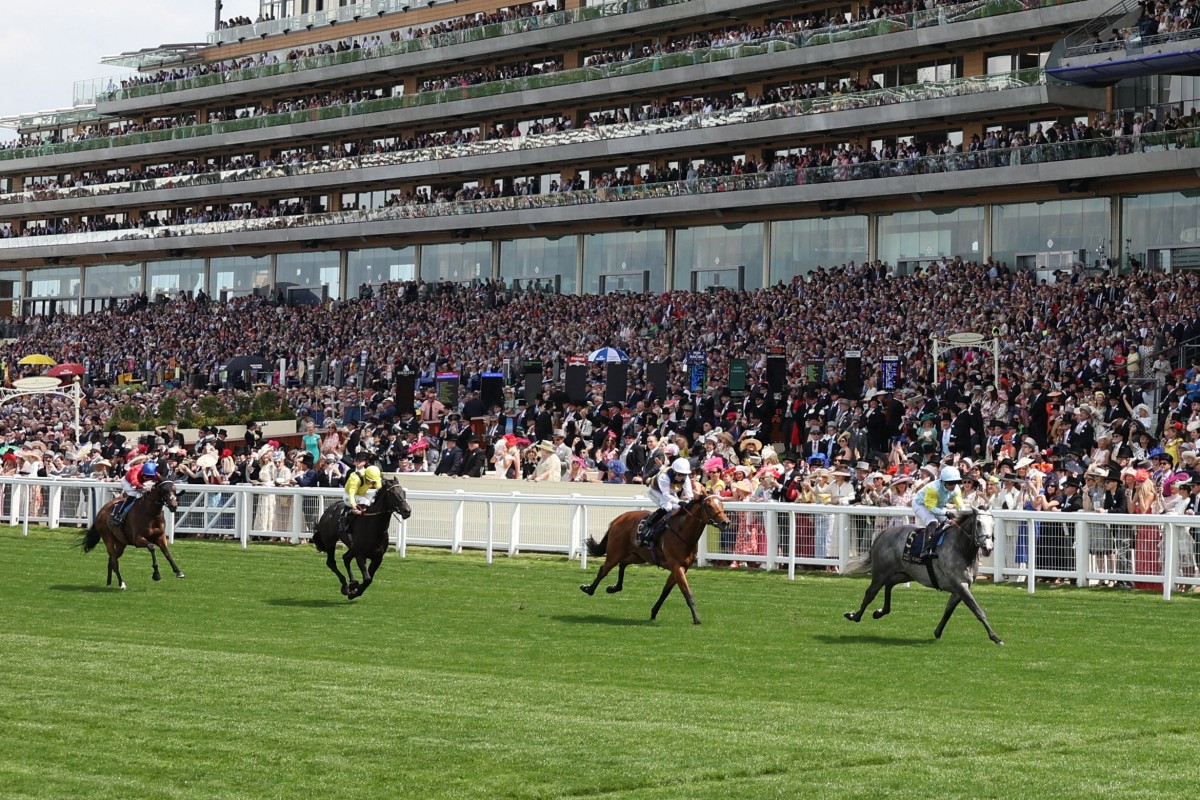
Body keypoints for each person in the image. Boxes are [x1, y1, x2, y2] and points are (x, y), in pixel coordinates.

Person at [637, 457, 695, 547]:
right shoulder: (664, 476)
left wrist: (689, 501)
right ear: (674, 471)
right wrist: (680, 502)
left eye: (684, 475)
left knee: (679, 507)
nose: (682, 477)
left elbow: (689, 495)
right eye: (680, 474)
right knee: (668, 506)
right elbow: (666, 495)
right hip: (655, 490)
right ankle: (646, 525)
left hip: (670, 491)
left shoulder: (685, 478)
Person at [910, 464, 965, 558]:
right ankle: (925, 550)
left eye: (955, 483)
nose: (953, 486)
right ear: (943, 482)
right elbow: (931, 509)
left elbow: (960, 506)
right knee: (933, 522)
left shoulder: (956, 490)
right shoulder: (933, 489)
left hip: (937, 505)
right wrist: (946, 512)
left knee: (950, 522)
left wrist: (963, 516)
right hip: (921, 504)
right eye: (950, 483)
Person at [340, 453, 383, 537]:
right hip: (348, 496)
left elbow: (379, 489)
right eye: (370, 480)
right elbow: (352, 494)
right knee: (366, 501)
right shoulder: (355, 477)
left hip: (361, 494)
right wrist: (353, 505)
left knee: (374, 500)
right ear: (365, 475)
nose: (371, 483)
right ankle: (347, 519)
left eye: (373, 481)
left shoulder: (374, 476)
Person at [112, 457, 158, 526]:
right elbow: (134, 482)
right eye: (146, 476)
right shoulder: (135, 469)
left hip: (140, 482)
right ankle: (119, 514)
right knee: (133, 493)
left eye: (150, 476)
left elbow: (160, 478)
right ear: (142, 472)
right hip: (127, 481)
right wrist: (143, 487)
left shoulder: (152, 471)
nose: (147, 478)